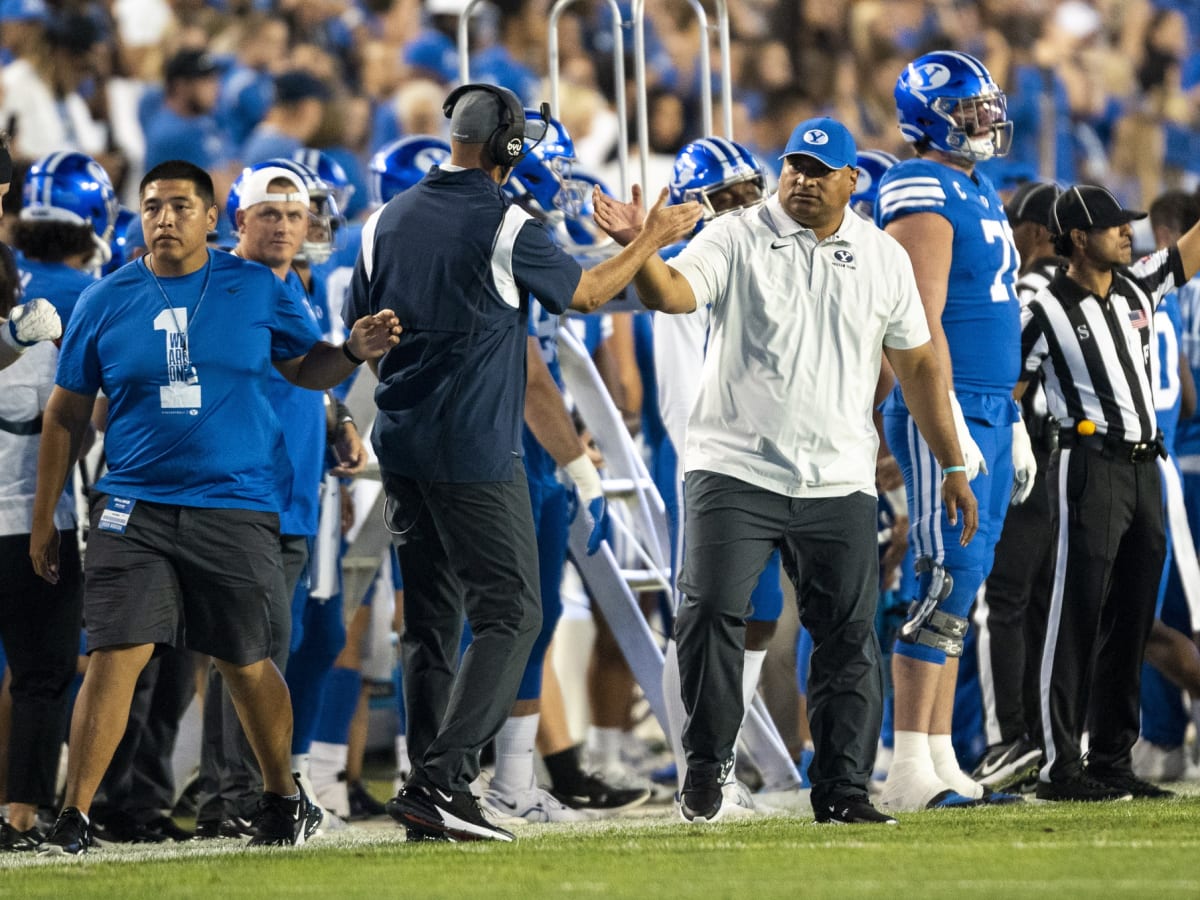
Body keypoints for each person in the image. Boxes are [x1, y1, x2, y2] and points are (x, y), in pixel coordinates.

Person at [592, 115, 978, 825]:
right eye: (795, 165)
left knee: (848, 637)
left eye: (819, 169)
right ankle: (707, 767)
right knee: (708, 612)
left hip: (837, 477)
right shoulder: (736, 234)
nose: (802, 179)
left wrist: (952, 459)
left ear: (850, 181)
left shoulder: (884, 255)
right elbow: (671, 295)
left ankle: (842, 789)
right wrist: (641, 247)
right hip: (733, 467)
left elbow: (918, 362)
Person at [348, 83, 700, 843]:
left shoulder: (385, 220)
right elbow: (584, 292)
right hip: (472, 446)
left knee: (433, 625)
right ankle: (442, 782)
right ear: (509, 147)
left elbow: (363, 330)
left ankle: (425, 789)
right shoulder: (503, 218)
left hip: (403, 445)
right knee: (514, 612)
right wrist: (647, 241)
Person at [29, 159, 400, 854]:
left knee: (247, 659)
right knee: (116, 654)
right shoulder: (105, 299)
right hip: (132, 504)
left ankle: (280, 796)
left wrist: (350, 350)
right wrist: (50, 511)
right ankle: (74, 816)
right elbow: (66, 414)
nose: (164, 218)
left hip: (235, 502)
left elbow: (304, 368)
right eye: (152, 207)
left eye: (178, 205)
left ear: (209, 218)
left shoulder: (258, 288)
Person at [875, 50, 1029, 812]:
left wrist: (1012, 416)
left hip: (989, 402)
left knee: (963, 583)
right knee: (941, 577)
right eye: (970, 109)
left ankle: (939, 759)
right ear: (929, 116)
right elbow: (917, 322)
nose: (984, 121)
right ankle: (907, 767)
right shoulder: (919, 184)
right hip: (950, 404)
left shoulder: (975, 185)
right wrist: (947, 435)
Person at [1019, 184, 1200, 801]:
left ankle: (1113, 762)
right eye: (1116, 226)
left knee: (1132, 618)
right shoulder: (1043, 310)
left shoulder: (1136, 287)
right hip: (1088, 464)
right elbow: (1010, 389)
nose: (1130, 233)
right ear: (1077, 238)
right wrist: (1020, 451)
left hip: (1147, 467)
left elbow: (1187, 256)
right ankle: (1058, 767)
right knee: (1076, 614)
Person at [971, 181, 1064, 792]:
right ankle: (1052, 737)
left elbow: (1006, 382)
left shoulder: (1026, 290)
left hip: (1024, 457)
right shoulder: (1090, 291)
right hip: (1074, 461)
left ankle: (1011, 740)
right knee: (1042, 608)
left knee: (999, 606)